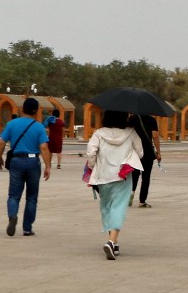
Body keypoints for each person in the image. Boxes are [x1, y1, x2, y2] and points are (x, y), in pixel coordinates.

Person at [82, 109, 144, 260]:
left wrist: (92, 166)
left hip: (103, 176)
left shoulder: (99, 133)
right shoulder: (131, 133)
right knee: (118, 207)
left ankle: (113, 242)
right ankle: (111, 241)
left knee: (107, 207)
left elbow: (91, 153)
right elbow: (140, 152)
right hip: (123, 176)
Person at [0, 96, 50, 237]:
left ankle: (12, 215)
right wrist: (48, 166)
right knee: (31, 197)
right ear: (36, 111)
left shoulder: (12, 124)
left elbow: (2, 142)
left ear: (22, 109)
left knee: (13, 195)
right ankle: (27, 228)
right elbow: (44, 147)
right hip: (33, 162)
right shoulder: (39, 127)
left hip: (16, 161)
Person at [127, 111, 161, 208]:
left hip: (135, 151)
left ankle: (131, 192)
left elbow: (127, 133)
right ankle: (142, 201)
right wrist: (158, 152)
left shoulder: (132, 119)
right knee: (146, 177)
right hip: (148, 152)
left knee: (134, 175)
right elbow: (155, 136)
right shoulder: (151, 119)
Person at [44, 107, 67, 172]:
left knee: (50, 151)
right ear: (59, 114)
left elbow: (47, 127)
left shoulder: (50, 121)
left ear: (53, 114)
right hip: (59, 138)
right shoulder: (61, 122)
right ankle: (58, 164)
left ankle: (49, 164)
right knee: (59, 152)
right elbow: (63, 130)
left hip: (51, 137)